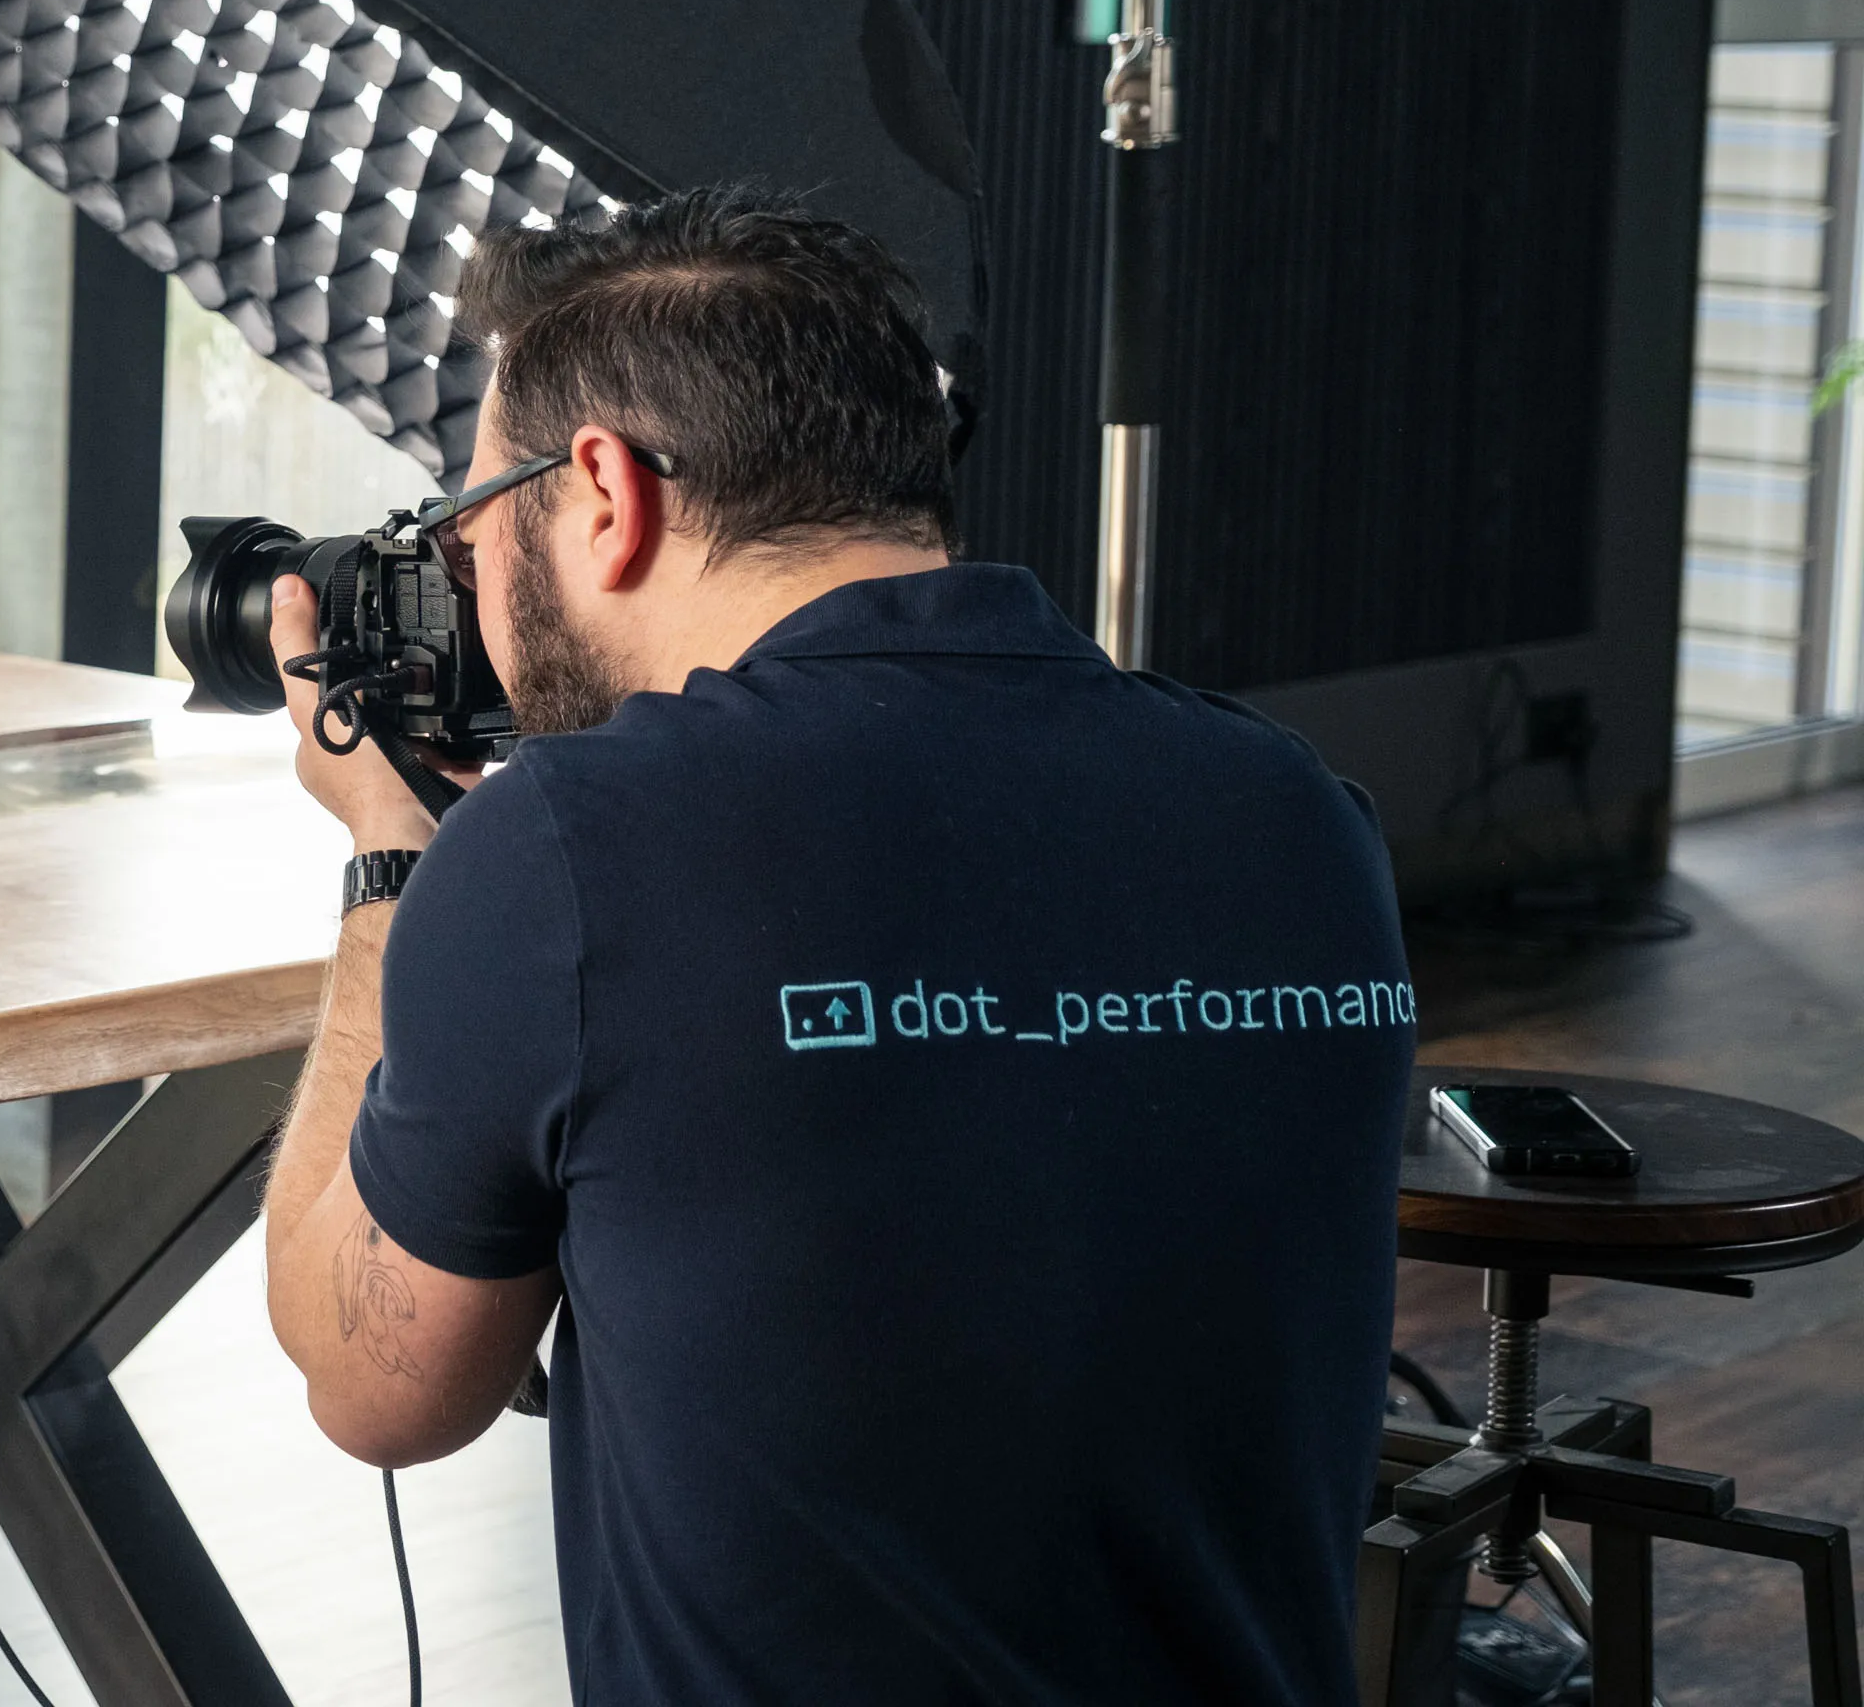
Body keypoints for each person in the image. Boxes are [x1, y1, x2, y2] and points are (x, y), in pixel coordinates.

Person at [259, 186, 1413, 1704]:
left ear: (602, 491)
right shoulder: (1302, 813)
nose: (469, 584)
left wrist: (388, 857)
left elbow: (375, 1389)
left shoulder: (567, 852)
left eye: (474, 522)